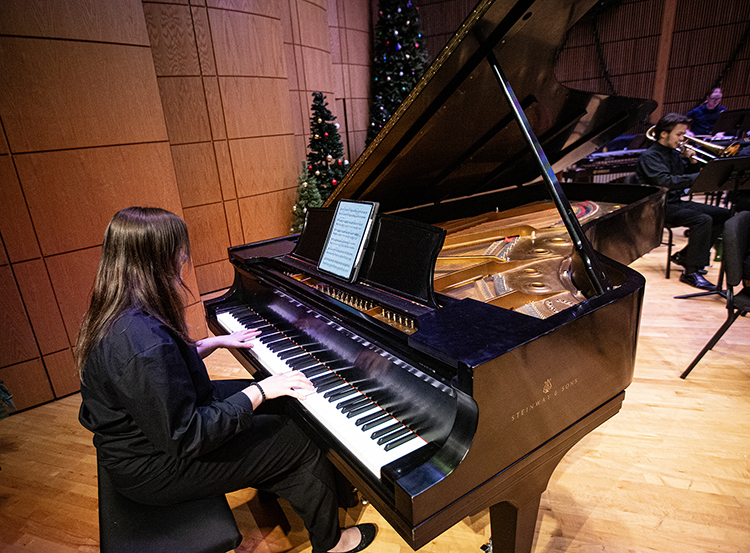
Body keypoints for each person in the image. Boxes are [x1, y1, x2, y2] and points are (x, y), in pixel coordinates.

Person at [76, 206, 376, 553]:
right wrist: (261, 390)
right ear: (156, 259)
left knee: (285, 400)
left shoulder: (120, 309)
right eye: (179, 249)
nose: (184, 256)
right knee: (296, 439)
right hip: (154, 464)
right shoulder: (141, 341)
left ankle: (280, 482)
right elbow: (187, 435)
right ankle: (332, 543)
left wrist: (211, 343)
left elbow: (159, 374)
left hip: (153, 433)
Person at [636, 113, 731, 290]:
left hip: (675, 202)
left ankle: (686, 256)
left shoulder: (673, 154)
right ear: (664, 134)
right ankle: (691, 272)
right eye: (679, 134)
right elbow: (667, 182)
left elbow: (684, 178)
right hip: (657, 206)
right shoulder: (650, 157)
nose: (683, 139)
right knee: (702, 219)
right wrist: (699, 174)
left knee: (723, 214)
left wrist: (693, 161)